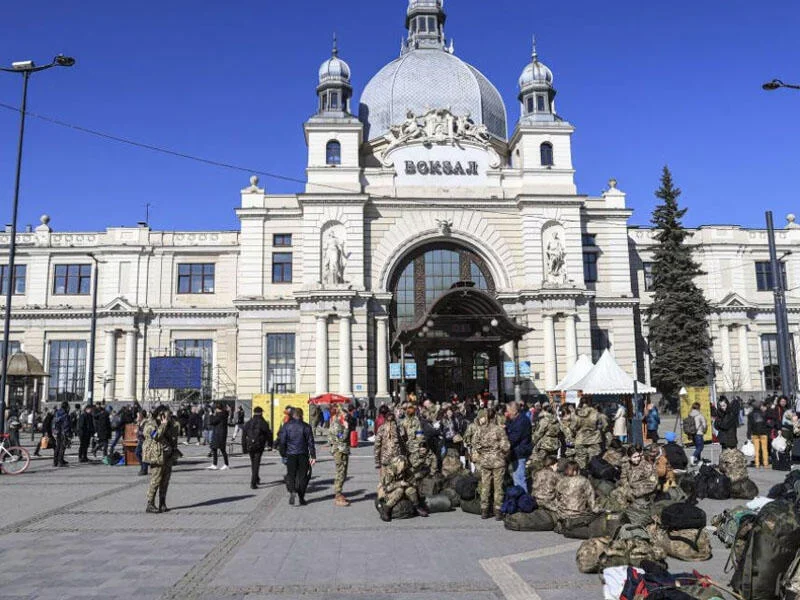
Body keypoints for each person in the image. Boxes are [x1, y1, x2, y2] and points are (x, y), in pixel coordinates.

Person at [142, 405, 180, 513]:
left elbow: (174, 437)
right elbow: (156, 436)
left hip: (167, 455)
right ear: (161, 414)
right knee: (156, 480)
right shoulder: (150, 424)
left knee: (165, 481)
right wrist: (163, 425)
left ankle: (162, 503)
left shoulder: (169, 424)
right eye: (166, 415)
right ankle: (150, 503)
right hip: (157, 456)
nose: (168, 418)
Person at [474, 408, 510, 520]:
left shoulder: (480, 430)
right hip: (498, 460)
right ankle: (498, 511)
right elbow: (506, 446)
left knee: (485, 485)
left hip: (485, 461)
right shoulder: (499, 430)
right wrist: (500, 452)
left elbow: (475, 444)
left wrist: (484, 452)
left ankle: (484, 510)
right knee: (498, 487)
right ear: (495, 417)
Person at [277, 408, 316, 506]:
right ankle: (301, 497)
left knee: (291, 475)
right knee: (303, 477)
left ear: (293, 415)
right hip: (303, 454)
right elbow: (310, 442)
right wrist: (313, 456)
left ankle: (292, 490)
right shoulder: (306, 426)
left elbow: (282, 441)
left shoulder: (287, 426)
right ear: (301, 415)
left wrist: (283, 453)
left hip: (291, 454)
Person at [376, 455, 429, 522]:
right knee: (399, 490)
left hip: (402, 489)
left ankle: (417, 507)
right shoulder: (389, 472)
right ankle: (387, 510)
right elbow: (386, 488)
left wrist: (410, 483)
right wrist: (399, 484)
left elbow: (412, 480)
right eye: (403, 466)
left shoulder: (405, 470)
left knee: (411, 490)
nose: (404, 468)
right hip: (388, 492)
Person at [505, 401, 533, 489]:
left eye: (508, 411)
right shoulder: (515, 419)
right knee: (516, 478)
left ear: (514, 411)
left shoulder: (522, 421)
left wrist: (503, 438)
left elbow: (514, 438)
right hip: (516, 452)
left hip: (520, 452)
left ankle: (523, 500)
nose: (507, 413)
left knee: (519, 479)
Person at [242, 406, 271, 489]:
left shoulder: (248, 423)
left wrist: (244, 448)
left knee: (253, 463)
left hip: (250, 446)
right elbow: (268, 434)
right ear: (261, 413)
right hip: (259, 446)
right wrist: (270, 444)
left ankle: (256, 478)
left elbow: (243, 436)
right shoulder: (263, 422)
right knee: (256, 464)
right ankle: (253, 482)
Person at [328, 406, 352, 507]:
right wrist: (346, 428)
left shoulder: (338, 423)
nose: (346, 418)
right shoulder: (337, 425)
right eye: (344, 416)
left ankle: (339, 493)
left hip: (342, 450)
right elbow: (341, 438)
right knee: (340, 472)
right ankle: (338, 495)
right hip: (339, 451)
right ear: (340, 415)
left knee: (343, 473)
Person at [571, 401, 603, 469]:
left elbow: (573, 427)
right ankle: (594, 475)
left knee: (580, 459)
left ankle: (581, 475)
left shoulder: (577, 414)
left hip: (581, 438)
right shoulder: (596, 413)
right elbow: (600, 426)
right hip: (594, 439)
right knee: (594, 459)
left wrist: (574, 434)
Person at [747, 401, 770, 469]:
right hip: (763, 433)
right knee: (764, 449)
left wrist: (748, 434)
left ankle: (757, 464)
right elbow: (766, 424)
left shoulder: (750, 414)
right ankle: (765, 464)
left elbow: (749, 425)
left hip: (755, 433)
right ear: (760, 406)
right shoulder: (764, 414)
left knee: (756, 450)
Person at [207, 402, 230, 470]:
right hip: (218, 433)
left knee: (222, 449)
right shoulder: (222, 413)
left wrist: (211, 414)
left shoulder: (220, 415)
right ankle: (214, 464)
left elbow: (212, 422)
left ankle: (226, 464)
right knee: (214, 448)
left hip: (220, 434)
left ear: (217, 409)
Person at [52, 401, 72, 467]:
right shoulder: (65, 415)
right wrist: (68, 434)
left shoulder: (57, 413)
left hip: (57, 432)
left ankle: (55, 462)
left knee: (57, 447)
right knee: (62, 447)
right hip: (63, 432)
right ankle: (60, 461)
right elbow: (66, 425)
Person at [135, 410, 149, 476]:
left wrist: (138, 432)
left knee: (143, 455)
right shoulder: (140, 422)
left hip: (145, 441)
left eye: (137, 416)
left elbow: (146, 432)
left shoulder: (145, 422)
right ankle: (143, 467)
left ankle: (144, 469)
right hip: (141, 441)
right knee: (137, 453)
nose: (136, 417)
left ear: (141, 416)